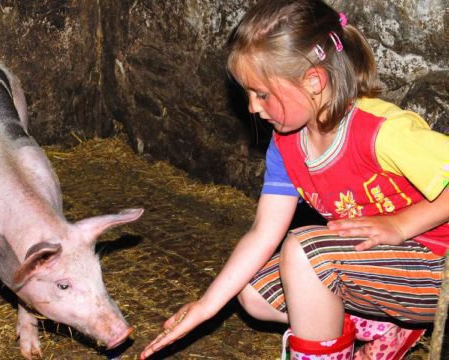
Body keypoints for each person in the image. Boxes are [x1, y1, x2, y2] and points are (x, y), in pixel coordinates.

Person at [140, 0, 449, 359]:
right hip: (380, 265)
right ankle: (386, 328)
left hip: (436, 271)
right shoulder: (287, 144)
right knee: (253, 292)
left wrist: (399, 223)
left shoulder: (381, 130)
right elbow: (263, 231)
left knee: (305, 252)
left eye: (262, 93)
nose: (253, 107)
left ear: (314, 80)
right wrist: (207, 305)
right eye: (248, 94)